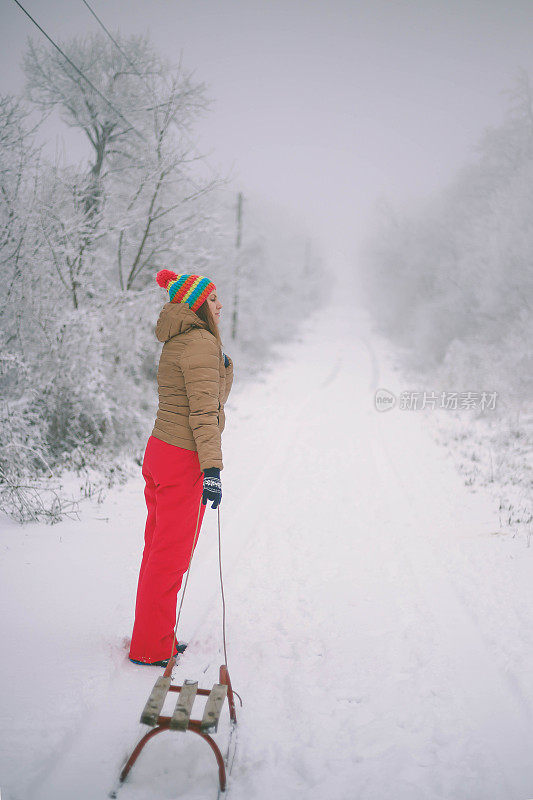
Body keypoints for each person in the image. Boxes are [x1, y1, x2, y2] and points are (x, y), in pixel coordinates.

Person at [128, 269, 233, 667]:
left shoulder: (178, 341)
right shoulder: (201, 344)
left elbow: (206, 399)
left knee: (157, 551)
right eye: (212, 299)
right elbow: (204, 414)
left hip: (159, 450)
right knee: (170, 557)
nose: (219, 305)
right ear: (197, 305)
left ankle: (152, 636)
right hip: (181, 457)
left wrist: (224, 366)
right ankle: (151, 648)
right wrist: (212, 470)